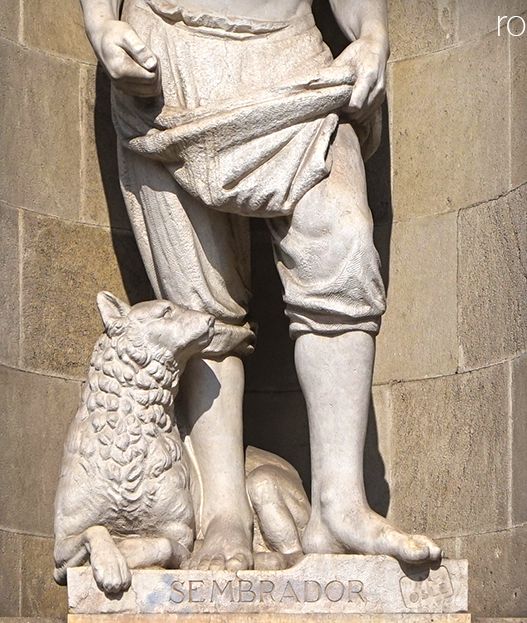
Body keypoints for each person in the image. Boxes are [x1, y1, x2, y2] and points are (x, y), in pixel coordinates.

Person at [78, 0, 442, 572]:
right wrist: (101, 23)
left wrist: (371, 33)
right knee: (198, 306)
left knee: (342, 242)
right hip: (167, 67)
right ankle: (224, 514)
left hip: (293, 63)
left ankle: (340, 507)